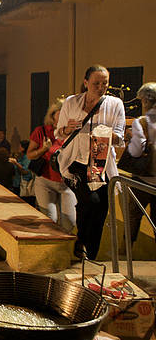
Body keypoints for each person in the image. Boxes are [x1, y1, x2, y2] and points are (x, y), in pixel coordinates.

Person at [56, 65, 125, 260]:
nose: (101, 87)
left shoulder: (115, 103)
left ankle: (89, 255)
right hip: (75, 163)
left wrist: (105, 134)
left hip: (100, 165)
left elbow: (119, 138)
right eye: (96, 83)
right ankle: (81, 241)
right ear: (86, 83)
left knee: (101, 210)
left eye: (105, 83)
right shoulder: (72, 102)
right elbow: (58, 133)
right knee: (91, 201)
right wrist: (67, 129)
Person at [29, 98, 76, 233]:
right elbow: (30, 155)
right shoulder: (42, 131)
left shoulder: (74, 133)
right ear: (52, 115)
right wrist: (44, 149)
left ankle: (63, 251)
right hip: (45, 181)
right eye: (60, 113)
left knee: (69, 222)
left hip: (67, 183)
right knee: (50, 220)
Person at [122, 82, 156, 250]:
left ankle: (124, 254)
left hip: (143, 180)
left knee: (133, 217)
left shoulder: (142, 122)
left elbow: (136, 151)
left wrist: (130, 139)